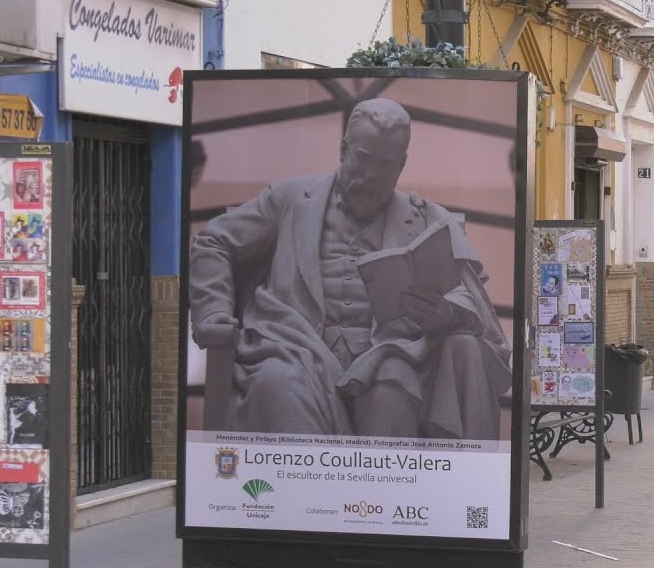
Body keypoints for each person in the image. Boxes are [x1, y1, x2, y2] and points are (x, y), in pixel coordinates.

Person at [190, 98, 512, 440]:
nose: (371, 176)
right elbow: (214, 242)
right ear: (344, 149)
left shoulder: (425, 219)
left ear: (402, 165)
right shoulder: (289, 199)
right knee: (277, 384)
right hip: (295, 348)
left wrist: (446, 313)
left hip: (388, 354)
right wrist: (214, 312)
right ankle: (299, 494)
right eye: (363, 158)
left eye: (386, 165)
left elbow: (473, 302)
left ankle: (392, 495)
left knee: (396, 387)